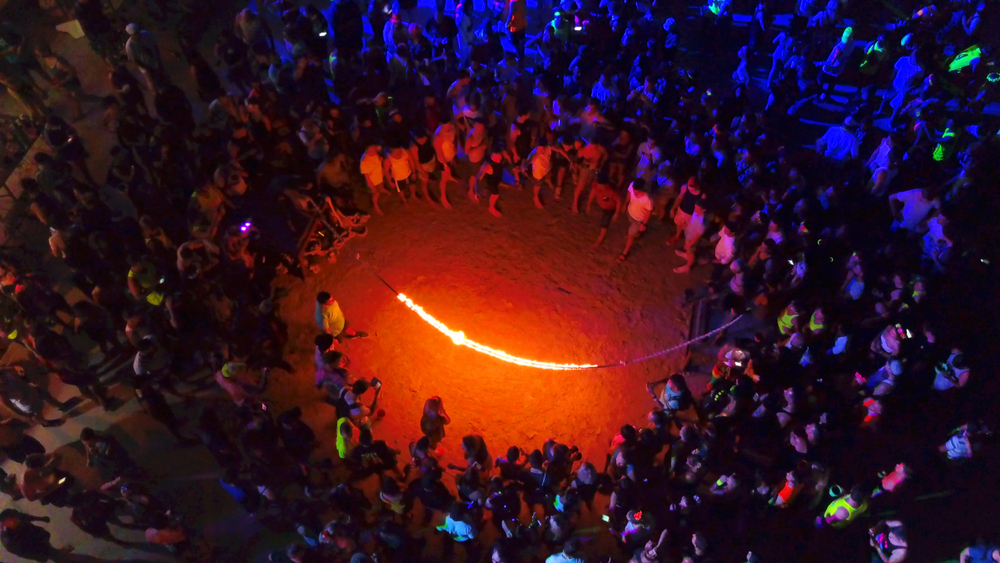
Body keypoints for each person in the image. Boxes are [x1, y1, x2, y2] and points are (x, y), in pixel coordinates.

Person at [0, 508, 74, 561]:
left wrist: (40, 519)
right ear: (5, 523)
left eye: (14, 517)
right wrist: (39, 555)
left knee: (49, 548)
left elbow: (24, 517)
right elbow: (24, 551)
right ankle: (62, 556)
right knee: (50, 553)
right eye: (13, 520)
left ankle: (58, 554)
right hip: (29, 547)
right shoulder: (9, 540)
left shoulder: (11, 514)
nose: (16, 519)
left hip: (32, 535)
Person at [617, 179, 653, 263]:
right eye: (634, 191)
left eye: (637, 193)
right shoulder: (632, 185)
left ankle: (625, 253)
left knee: (630, 235)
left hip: (639, 219)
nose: (635, 194)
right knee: (632, 226)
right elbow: (629, 193)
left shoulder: (647, 199)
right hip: (630, 213)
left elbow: (648, 213)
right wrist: (626, 204)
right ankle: (638, 234)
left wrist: (643, 224)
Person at [125, 23, 164, 91]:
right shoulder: (129, 46)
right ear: (131, 35)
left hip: (156, 61)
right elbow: (135, 60)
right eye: (135, 34)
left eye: (138, 32)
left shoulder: (146, 34)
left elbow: (155, 45)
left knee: (163, 77)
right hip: (146, 68)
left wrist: (158, 59)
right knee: (152, 84)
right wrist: (148, 68)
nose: (138, 35)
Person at [587, 172, 622, 248]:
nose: (599, 187)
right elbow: (593, 193)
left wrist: (616, 214)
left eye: (601, 186)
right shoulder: (596, 185)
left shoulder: (612, 191)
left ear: (606, 184)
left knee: (604, 222)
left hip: (610, 208)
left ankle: (599, 240)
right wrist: (589, 204)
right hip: (601, 205)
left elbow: (618, 202)